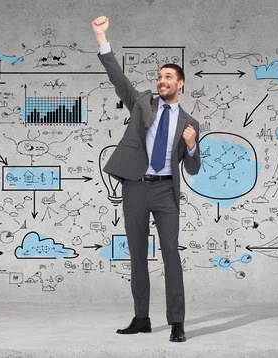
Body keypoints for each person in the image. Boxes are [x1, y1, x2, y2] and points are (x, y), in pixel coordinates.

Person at [92, 16, 201, 342]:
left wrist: (193, 146)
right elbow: (117, 78)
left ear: (181, 83)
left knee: (170, 253)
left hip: (166, 191)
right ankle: (141, 318)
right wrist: (101, 38)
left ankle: (177, 323)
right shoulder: (142, 102)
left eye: (168, 77)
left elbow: (192, 170)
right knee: (137, 253)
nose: (161, 81)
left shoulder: (191, 122)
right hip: (136, 188)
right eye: (159, 77)